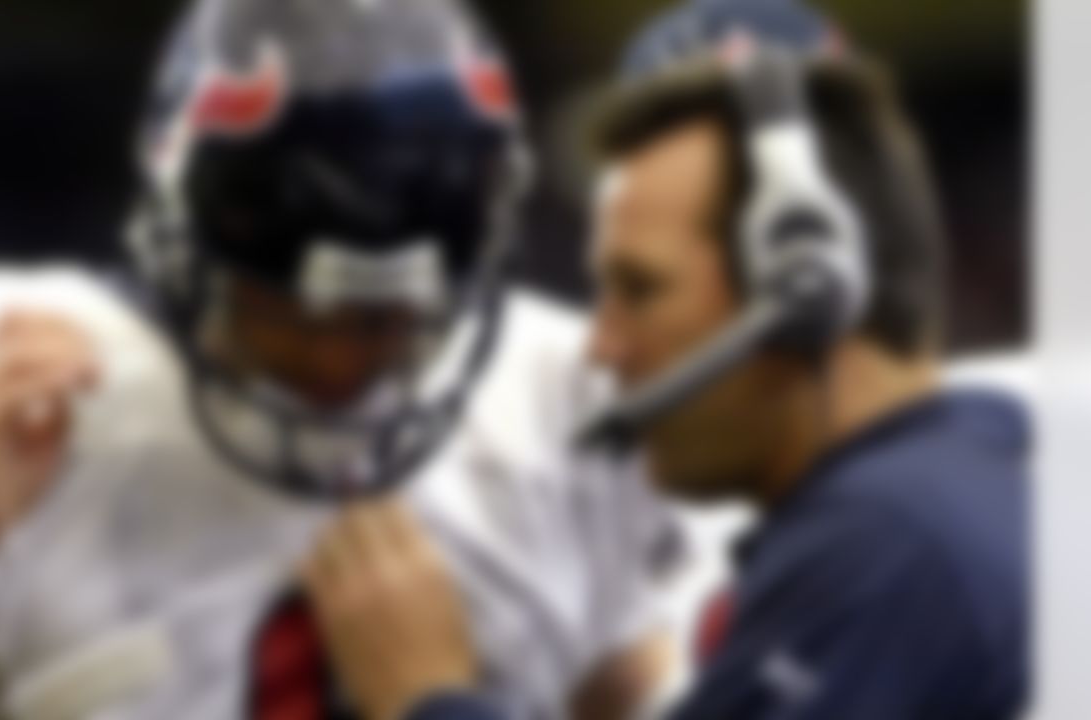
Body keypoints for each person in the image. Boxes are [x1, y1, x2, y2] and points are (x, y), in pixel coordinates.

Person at [293, 6, 1029, 720]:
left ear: (807, 287)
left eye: (639, 290)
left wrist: (426, 696)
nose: (600, 346)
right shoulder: (957, 488)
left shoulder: (887, 544)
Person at [0, 1, 684, 718]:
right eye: (294, 315)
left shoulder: (568, 395)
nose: (339, 361)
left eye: (388, 320)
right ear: (185, 237)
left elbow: (647, 689)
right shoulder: (2, 392)